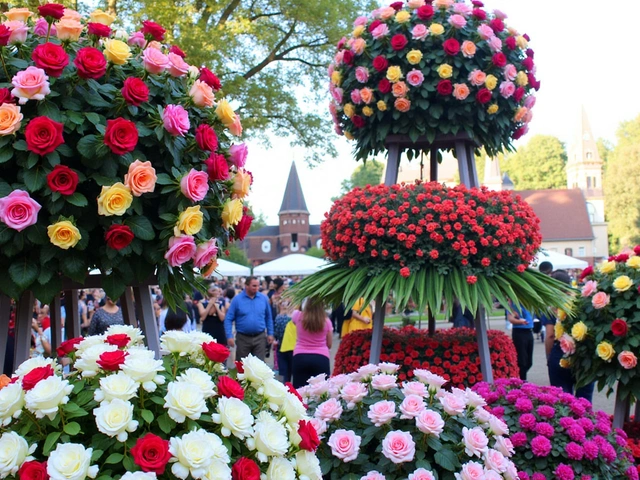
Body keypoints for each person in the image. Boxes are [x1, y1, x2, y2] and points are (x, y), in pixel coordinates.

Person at [543, 270, 595, 402]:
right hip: (585, 356)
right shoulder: (584, 302)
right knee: (585, 400)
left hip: (560, 353)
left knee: (563, 402)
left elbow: (550, 335)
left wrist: (549, 358)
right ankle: (587, 422)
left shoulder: (553, 306)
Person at [224, 276, 274, 361]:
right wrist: (229, 336)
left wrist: (270, 333)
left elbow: (269, 317)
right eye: (254, 286)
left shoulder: (263, 298)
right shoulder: (237, 300)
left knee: (259, 365)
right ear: (246, 286)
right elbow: (228, 319)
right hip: (243, 338)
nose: (257, 288)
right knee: (242, 366)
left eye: (258, 286)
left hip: (260, 337)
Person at [291, 298, 333, 388]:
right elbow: (329, 344)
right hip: (321, 358)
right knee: (320, 392)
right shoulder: (326, 321)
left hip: (300, 357)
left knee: (299, 391)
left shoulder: (298, 316)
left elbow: (295, 315)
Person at [506, 302, 534, 381]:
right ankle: (522, 381)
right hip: (519, 331)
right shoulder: (513, 303)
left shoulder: (528, 302)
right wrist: (520, 321)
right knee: (522, 361)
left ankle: (519, 377)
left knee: (529, 362)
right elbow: (511, 318)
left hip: (529, 331)